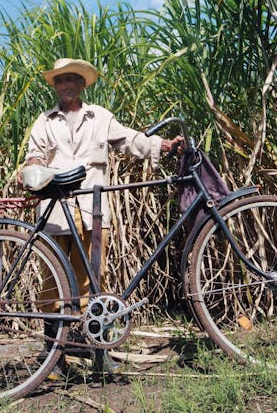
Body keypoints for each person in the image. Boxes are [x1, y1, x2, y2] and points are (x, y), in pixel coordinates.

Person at [21, 57, 182, 372]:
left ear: (81, 85)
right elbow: (34, 155)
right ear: (55, 86)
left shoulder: (100, 117)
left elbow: (130, 140)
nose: (66, 86)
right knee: (54, 284)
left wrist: (162, 145)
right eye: (60, 81)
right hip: (55, 211)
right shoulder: (44, 121)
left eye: (72, 80)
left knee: (96, 281)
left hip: (93, 211)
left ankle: (99, 352)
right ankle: (54, 358)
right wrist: (29, 169)